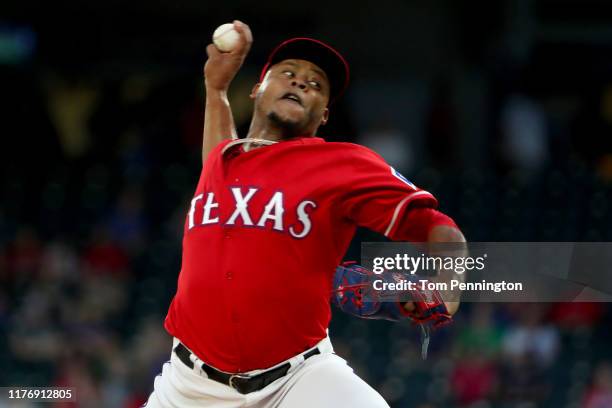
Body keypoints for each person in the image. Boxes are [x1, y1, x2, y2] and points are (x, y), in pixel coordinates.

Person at [143, 20, 466, 408]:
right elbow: (218, 152)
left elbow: (442, 232)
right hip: (188, 386)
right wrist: (215, 89)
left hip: (298, 381)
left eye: (316, 85)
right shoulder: (223, 162)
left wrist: (445, 295)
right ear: (258, 90)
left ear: (324, 114)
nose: (301, 83)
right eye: (289, 74)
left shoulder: (341, 163)